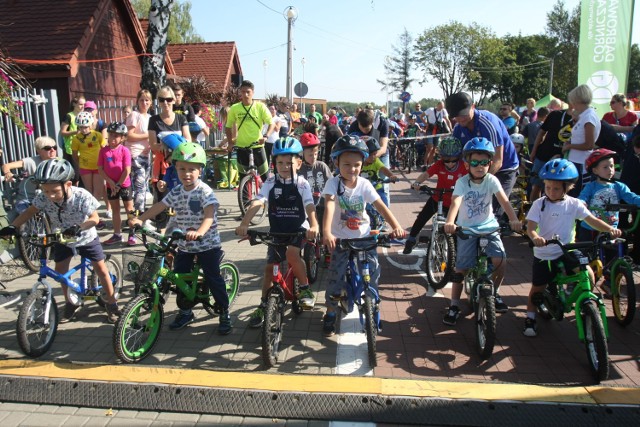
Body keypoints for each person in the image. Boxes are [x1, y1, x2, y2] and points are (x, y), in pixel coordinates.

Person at [129, 142, 231, 335]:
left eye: (191, 169)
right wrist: (140, 219)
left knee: (213, 277)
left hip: (206, 244)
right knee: (179, 278)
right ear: (175, 169)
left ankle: (224, 311)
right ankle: (185, 312)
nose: (186, 173)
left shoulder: (204, 191)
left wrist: (200, 231)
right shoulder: (176, 191)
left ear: (200, 170)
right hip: (184, 245)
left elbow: (209, 214)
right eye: (182, 168)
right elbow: (159, 206)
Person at [0, 159, 120, 323]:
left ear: (68, 184)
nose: (50, 195)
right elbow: (29, 212)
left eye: (54, 191)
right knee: (61, 271)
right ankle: (70, 303)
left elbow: (95, 218)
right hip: (62, 238)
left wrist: (79, 227)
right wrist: (13, 227)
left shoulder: (81, 196)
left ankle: (112, 305)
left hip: (85, 237)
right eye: (46, 190)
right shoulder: (44, 198)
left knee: (101, 269)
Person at [524, 158, 621, 337]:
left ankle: (585, 304)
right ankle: (530, 316)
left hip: (566, 249)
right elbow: (530, 227)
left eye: (556, 188)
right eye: (548, 187)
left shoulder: (574, 204)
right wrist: (536, 237)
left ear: (568, 188)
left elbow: (592, 220)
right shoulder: (539, 204)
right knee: (538, 286)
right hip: (545, 252)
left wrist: (610, 230)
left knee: (588, 273)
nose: (551, 192)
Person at [321, 135, 406, 336]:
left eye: (357, 165)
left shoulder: (364, 184)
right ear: (336, 162)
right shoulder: (333, 184)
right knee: (335, 279)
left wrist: (396, 226)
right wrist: (326, 232)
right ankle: (331, 312)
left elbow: (380, 206)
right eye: (347, 164)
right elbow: (330, 205)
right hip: (341, 239)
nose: (352, 169)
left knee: (372, 275)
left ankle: (373, 305)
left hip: (364, 237)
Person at [235, 137, 319, 328]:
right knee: (268, 269)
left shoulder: (302, 183)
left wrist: (314, 225)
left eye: (289, 163)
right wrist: (245, 223)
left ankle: (305, 288)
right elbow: (258, 201)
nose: (283, 166)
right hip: (277, 230)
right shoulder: (271, 181)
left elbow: (309, 205)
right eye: (279, 162)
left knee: (291, 254)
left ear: (299, 163)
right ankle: (264, 304)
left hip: (298, 229)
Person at [442, 137, 522, 324]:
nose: (480, 166)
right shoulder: (462, 182)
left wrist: (514, 219)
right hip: (467, 229)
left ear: (490, 163)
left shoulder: (491, 180)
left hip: (489, 227)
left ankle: (495, 292)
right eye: (475, 162)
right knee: (461, 268)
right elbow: (455, 202)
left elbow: (504, 200)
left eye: (484, 162)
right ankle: (454, 305)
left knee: (500, 261)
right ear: (467, 163)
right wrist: (450, 222)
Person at [446, 92, 520, 228]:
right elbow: (456, 157)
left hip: (504, 168)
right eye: (456, 116)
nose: (460, 119)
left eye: (463, 114)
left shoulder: (488, 123)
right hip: (477, 169)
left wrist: (480, 182)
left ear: (473, 107)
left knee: (491, 211)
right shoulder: (458, 128)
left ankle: (491, 243)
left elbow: (498, 160)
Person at [403, 137, 467, 254]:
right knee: (422, 218)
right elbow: (426, 174)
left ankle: (456, 251)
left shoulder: (464, 166)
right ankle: (411, 239)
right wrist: (417, 183)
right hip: (438, 198)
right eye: (446, 160)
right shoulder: (439, 165)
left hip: (455, 203)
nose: (450, 163)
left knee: (457, 227)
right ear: (441, 157)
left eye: (454, 160)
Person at [148, 85, 191, 233]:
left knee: (183, 198)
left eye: (168, 99)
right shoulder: (154, 120)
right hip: (162, 165)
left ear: (174, 100)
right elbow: (153, 145)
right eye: (161, 99)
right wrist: (166, 146)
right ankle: (162, 234)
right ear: (158, 101)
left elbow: (188, 141)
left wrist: (173, 148)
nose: (165, 103)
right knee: (162, 199)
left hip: (180, 165)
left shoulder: (181, 118)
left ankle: (182, 229)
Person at [225, 80, 275, 184]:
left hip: (258, 146)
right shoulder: (235, 108)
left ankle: (268, 198)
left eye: (248, 92)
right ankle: (245, 199)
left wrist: (266, 136)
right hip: (241, 147)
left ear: (253, 92)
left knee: (265, 177)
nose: (245, 94)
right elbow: (228, 126)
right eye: (243, 92)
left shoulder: (260, 107)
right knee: (243, 178)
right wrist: (230, 142)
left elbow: (271, 123)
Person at [98, 122, 134, 246]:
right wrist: (110, 183)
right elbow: (100, 169)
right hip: (110, 185)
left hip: (123, 184)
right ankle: (117, 234)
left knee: (129, 210)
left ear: (122, 137)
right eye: (111, 135)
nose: (113, 138)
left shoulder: (125, 151)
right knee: (115, 210)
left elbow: (127, 170)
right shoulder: (103, 151)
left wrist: (118, 184)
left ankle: (132, 233)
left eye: (116, 136)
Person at [2, 136, 59, 213]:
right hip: (27, 198)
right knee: (25, 214)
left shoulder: (59, 162)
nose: (52, 150)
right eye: (47, 148)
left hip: (49, 198)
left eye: (54, 147)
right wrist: (8, 173)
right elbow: (6, 166)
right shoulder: (30, 161)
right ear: (39, 151)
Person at [72, 110, 108, 230]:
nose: (84, 129)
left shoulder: (97, 135)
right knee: (89, 191)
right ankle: (93, 217)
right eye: (81, 127)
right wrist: (81, 164)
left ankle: (92, 214)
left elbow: (104, 148)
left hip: (98, 167)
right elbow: (74, 154)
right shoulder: (76, 139)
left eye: (86, 127)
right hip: (85, 167)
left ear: (91, 125)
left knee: (97, 192)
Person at [125, 89, 153, 240]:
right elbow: (129, 135)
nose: (144, 103)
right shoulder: (134, 115)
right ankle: (136, 225)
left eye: (147, 100)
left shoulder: (150, 117)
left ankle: (140, 221)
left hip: (146, 155)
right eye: (142, 100)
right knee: (140, 191)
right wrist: (147, 135)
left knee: (142, 191)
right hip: (135, 155)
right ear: (137, 101)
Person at [529, 105, 573, 201]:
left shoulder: (580, 120)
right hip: (543, 155)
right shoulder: (555, 114)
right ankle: (532, 210)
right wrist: (533, 151)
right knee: (536, 186)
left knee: (555, 189)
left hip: (562, 161)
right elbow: (541, 132)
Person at [563, 84, 600, 197]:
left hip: (581, 163)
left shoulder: (589, 117)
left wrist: (569, 146)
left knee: (577, 196)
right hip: (575, 160)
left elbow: (589, 144)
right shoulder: (583, 115)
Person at [298, 132, 332, 224]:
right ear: (301, 154)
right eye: (310, 155)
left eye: (316, 154)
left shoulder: (322, 166)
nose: (314, 157)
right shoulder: (299, 169)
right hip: (306, 207)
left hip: (323, 205)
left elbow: (332, 184)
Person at [59, 96, 85, 183]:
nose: (82, 106)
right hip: (71, 149)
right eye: (80, 104)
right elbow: (63, 132)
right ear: (74, 104)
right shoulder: (69, 116)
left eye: (84, 104)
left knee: (83, 175)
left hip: (82, 148)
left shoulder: (83, 116)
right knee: (75, 176)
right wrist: (75, 132)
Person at [424, 101, 452, 166]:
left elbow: (447, 120)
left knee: (434, 148)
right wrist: (426, 123)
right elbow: (422, 116)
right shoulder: (430, 110)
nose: (441, 108)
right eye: (440, 107)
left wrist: (451, 129)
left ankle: (430, 164)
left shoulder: (443, 111)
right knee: (429, 147)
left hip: (438, 130)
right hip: (430, 129)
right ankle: (425, 164)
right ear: (438, 105)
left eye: (442, 107)